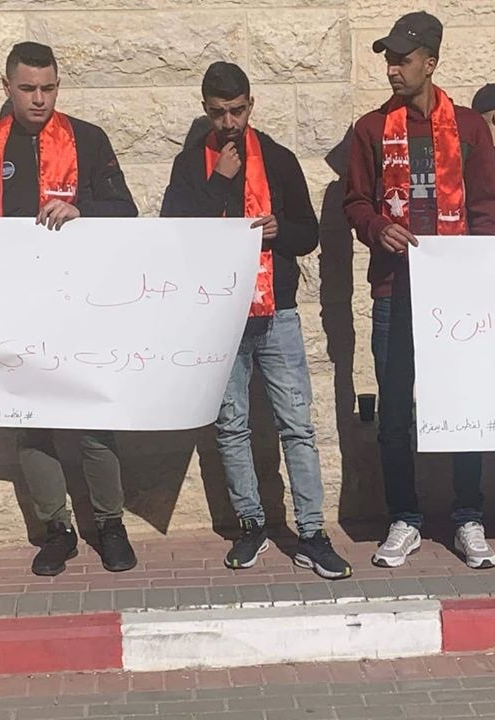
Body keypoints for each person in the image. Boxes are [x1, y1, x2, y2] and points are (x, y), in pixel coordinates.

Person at [0, 42, 139, 577]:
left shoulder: (89, 140)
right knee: (31, 424)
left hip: (81, 308)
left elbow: (126, 211)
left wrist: (82, 209)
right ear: (6, 87)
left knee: (93, 420)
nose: (39, 98)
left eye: (49, 88)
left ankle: (110, 524)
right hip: (14, 310)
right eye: (28, 88)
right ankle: (57, 530)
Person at [160, 61, 352, 580]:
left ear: (251, 104)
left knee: (297, 425)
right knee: (231, 425)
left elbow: (308, 234)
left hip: (277, 311)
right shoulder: (190, 165)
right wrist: (219, 184)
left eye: (238, 111)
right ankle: (251, 524)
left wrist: (278, 230)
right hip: (219, 313)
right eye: (219, 113)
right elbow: (173, 236)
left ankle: (311, 533)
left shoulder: (279, 158)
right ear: (205, 109)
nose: (229, 122)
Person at [343, 12, 495, 569]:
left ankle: (468, 515)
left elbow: (487, 207)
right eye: (388, 59)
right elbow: (354, 202)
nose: (393, 69)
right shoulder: (370, 129)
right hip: (395, 289)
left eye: (403, 59)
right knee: (394, 412)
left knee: (462, 405)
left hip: (456, 294)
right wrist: (375, 227)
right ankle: (404, 517)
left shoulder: (470, 127)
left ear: (430, 62)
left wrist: (473, 271)